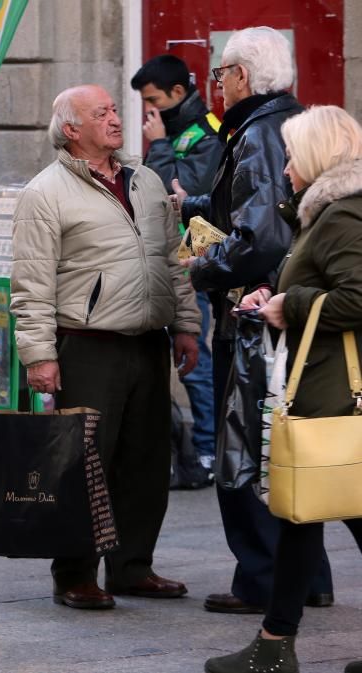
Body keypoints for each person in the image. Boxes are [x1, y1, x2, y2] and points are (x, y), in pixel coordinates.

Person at [11, 84, 201, 610]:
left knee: (144, 461)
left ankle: (133, 566)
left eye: (115, 109)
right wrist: (39, 356)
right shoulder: (44, 192)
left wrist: (186, 323)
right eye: (103, 113)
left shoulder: (145, 181)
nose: (117, 119)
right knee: (83, 463)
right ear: (72, 130)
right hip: (87, 346)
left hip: (147, 343)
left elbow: (172, 260)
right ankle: (74, 572)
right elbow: (30, 284)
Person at [173, 26, 335, 615]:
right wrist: (193, 207)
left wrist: (200, 268)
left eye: (220, 73)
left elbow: (260, 234)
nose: (216, 85)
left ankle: (266, 580)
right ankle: (304, 579)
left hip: (254, 317)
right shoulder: (276, 124)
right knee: (277, 448)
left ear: (241, 76)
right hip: (274, 312)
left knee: (248, 451)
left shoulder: (259, 131)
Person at [205, 106, 362, 673]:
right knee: (300, 518)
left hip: (334, 396)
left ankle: (273, 648)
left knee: (306, 515)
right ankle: (274, 646)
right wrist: (270, 293)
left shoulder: (342, 217)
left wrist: (287, 306)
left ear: (318, 158)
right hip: (320, 391)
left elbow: (357, 297)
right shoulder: (320, 216)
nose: (287, 165)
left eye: (294, 154)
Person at [131, 55, 224, 482]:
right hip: (169, 256)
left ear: (177, 94)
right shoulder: (175, 130)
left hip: (196, 258)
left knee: (194, 358)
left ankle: (208, 451)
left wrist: (159, 145)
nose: (149, 112)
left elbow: (178, 193)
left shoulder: (205, 134)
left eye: (154, 101)